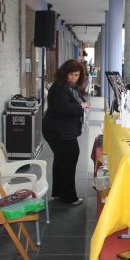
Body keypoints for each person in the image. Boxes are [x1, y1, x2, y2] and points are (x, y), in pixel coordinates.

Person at [42, 59, 90, 206]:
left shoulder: (69, 86)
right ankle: (69, 197)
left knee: (61, 160)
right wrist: (81, 106)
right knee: (69, 160)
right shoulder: (60, 88)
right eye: (71, 74)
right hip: (58, 131)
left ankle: (58, 193)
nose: (73, 77)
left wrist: (81, 104)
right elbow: (63, 109)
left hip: (59, 129)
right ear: (65, 73)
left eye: (76, 75)